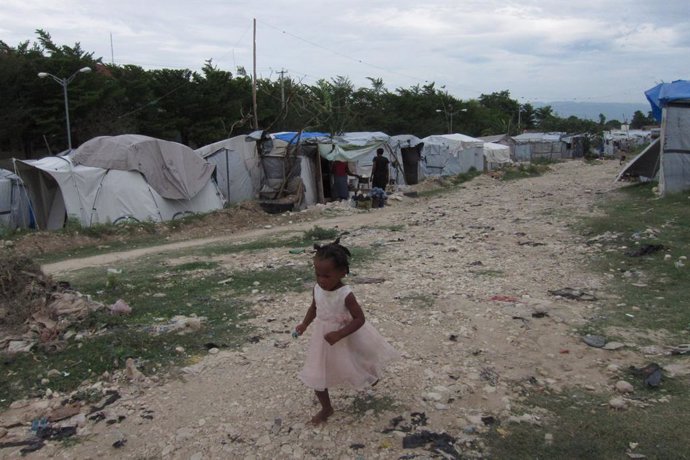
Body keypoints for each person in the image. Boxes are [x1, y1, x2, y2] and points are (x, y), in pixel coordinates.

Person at [295, 239, 399, 424]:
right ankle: (327, 408)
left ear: (342, 272)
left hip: (346, 333)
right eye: (317, 274)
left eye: (327, 276)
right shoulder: (317, 289)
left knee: (356, 358)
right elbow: (314, 308)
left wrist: (339, 334)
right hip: (324, 338)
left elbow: (360, 319)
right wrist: (304, 324)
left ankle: (370, 375)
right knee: (317, 374)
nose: (321, 280)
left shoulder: (346, 294)